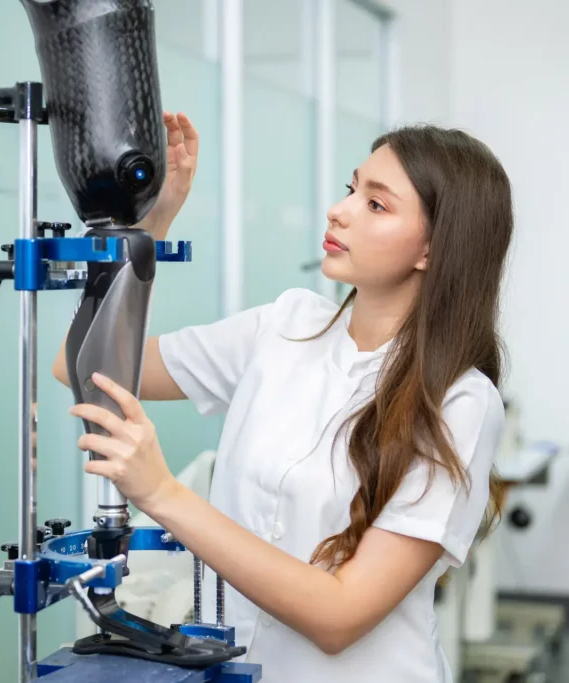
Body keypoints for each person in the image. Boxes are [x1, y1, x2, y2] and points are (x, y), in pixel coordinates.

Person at [52, 110, 513, 683]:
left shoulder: (460, 403)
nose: (338, 209)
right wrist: (149, 227)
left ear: (432, 249)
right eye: (351, 188)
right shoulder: (286, 325)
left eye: (376, 204)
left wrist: (162, 492)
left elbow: (340, 616)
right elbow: (82, 366)